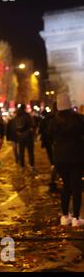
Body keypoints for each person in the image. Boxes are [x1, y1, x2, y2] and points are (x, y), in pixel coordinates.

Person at [49, 93, 84, 227]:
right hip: (77, 157)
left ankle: (65, 216)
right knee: (76, 187)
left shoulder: (53, 121)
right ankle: (76, 217)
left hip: (60, 158)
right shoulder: (79, 119)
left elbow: (49, 138)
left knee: (66, 186)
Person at [39, 103, 59, 193]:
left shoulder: (48, 118)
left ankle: (53, 181)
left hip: (50, 143)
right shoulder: (68, 117)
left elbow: (42, 129)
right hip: (57, 144)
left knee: (53, 162)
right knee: (56, 162)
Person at [14, 104, 35, 170]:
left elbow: (14, 125)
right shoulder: (27, 115)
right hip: (28, 135)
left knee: (21, 152)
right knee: (30, 151)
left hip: (20, 136)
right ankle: (31, 165)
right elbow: (32, 124)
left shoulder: (17, 115)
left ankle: (22, 166)